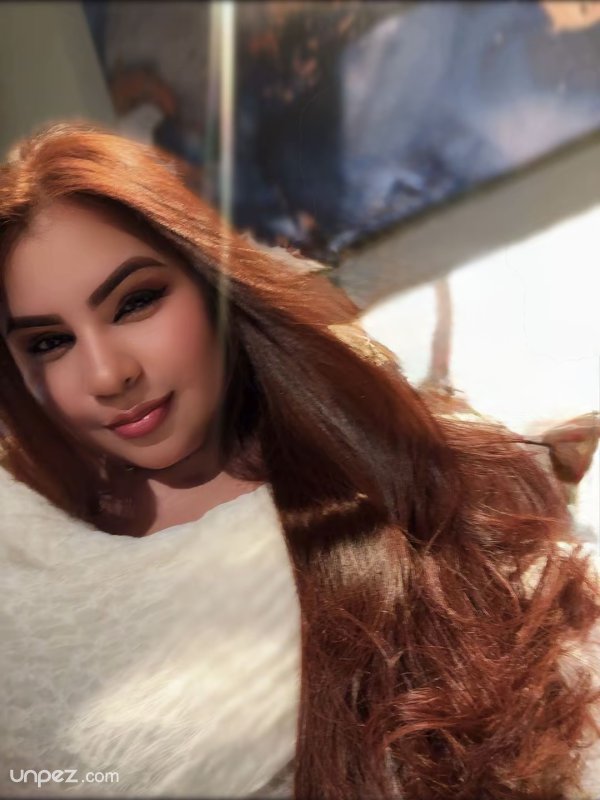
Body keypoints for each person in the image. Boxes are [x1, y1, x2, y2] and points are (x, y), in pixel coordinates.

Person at [0, 121, 598, 800]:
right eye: (48, 342)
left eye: (136, 302)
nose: (108, 375)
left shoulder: (413, 478)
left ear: (213, 282)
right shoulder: (25, 553)